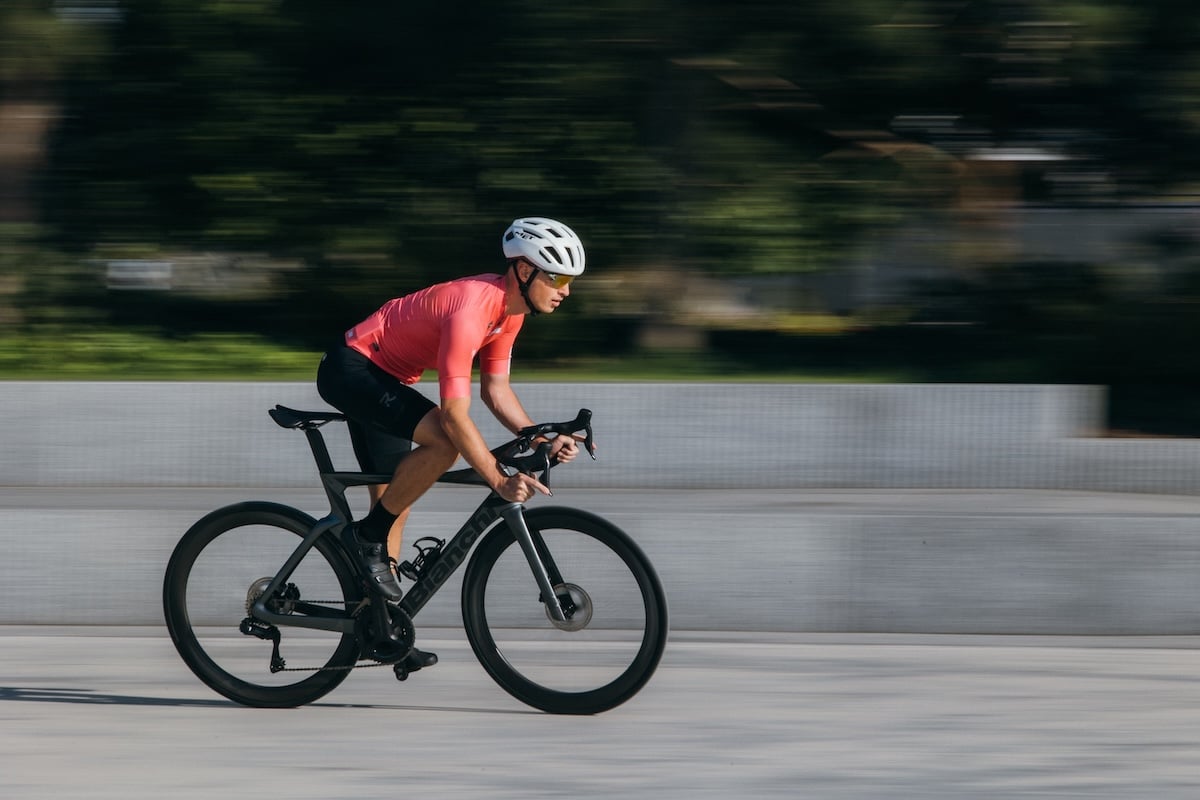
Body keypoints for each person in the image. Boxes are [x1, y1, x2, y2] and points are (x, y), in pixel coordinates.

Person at [315, 216, 586, 671]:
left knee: (394, 501)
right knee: (445, 443)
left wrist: (540, 434)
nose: (565, 290)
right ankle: (365, 537)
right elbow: (456, 416)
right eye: (557, 277)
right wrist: (498, 480)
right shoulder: (472, 307)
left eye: (570, 281)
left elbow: (495, 392)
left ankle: (381, 629)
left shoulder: (509, 315)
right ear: (524, 271)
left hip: (387, 379)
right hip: (353, 369)